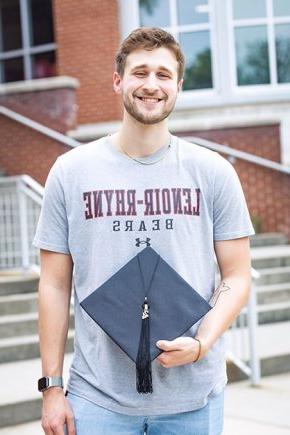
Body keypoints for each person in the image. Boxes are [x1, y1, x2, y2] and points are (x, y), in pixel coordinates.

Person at [33, 27, 255, 435]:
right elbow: (53, 284)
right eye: (139, 72)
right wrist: (52, 387)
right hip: (97, 398)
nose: (151, 85)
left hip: (194, 399)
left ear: (179, 85)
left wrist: (203, 342)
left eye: (163, 74)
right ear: (118, 80)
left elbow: (237, 275)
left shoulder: (213, 172)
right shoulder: (71, 172)